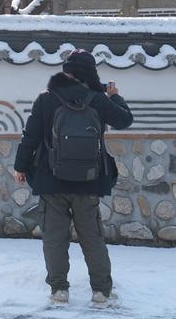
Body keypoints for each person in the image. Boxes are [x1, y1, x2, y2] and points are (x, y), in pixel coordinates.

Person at [13, 49, 134, 307]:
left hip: (51, 180)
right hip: (89, 181)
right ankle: (101, 292)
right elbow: (125, 120)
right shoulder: (98, 100)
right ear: (90, 73)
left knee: (54, 237)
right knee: (92, 236)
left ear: (66, 72)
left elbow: (30, 136)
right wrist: (115, 96)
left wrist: (21, 166)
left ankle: (59, 290)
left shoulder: (46, 99)